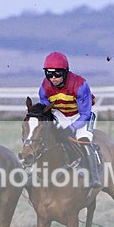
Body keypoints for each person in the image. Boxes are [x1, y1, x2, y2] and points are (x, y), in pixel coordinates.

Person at [38, 51, 101, 188]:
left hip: (82, 114)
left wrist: (71, 129)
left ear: (65, 72)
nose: (53, 78)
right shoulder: (44, 88)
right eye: (49, 74)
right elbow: (46, 110)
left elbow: (85, 114)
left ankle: (93, 175)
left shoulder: (80, 85)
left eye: (57, 74)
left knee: (83, 139)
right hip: (62, 113)